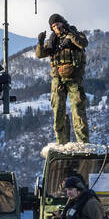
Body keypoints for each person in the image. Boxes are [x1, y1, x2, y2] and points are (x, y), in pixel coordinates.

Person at [35, 13, 90, 144]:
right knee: (58, 111)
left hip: (74, 79)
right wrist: (40, 42)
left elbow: (83, 43)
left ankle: (83, 142)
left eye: (57, 24)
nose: (56, 27)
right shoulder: (52, 40)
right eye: (53, 26)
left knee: (78, 110)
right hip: (58, 80)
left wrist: (70, 36)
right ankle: (61, 142)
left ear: (63, 22)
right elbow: (40, 55)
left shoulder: (76, 34)